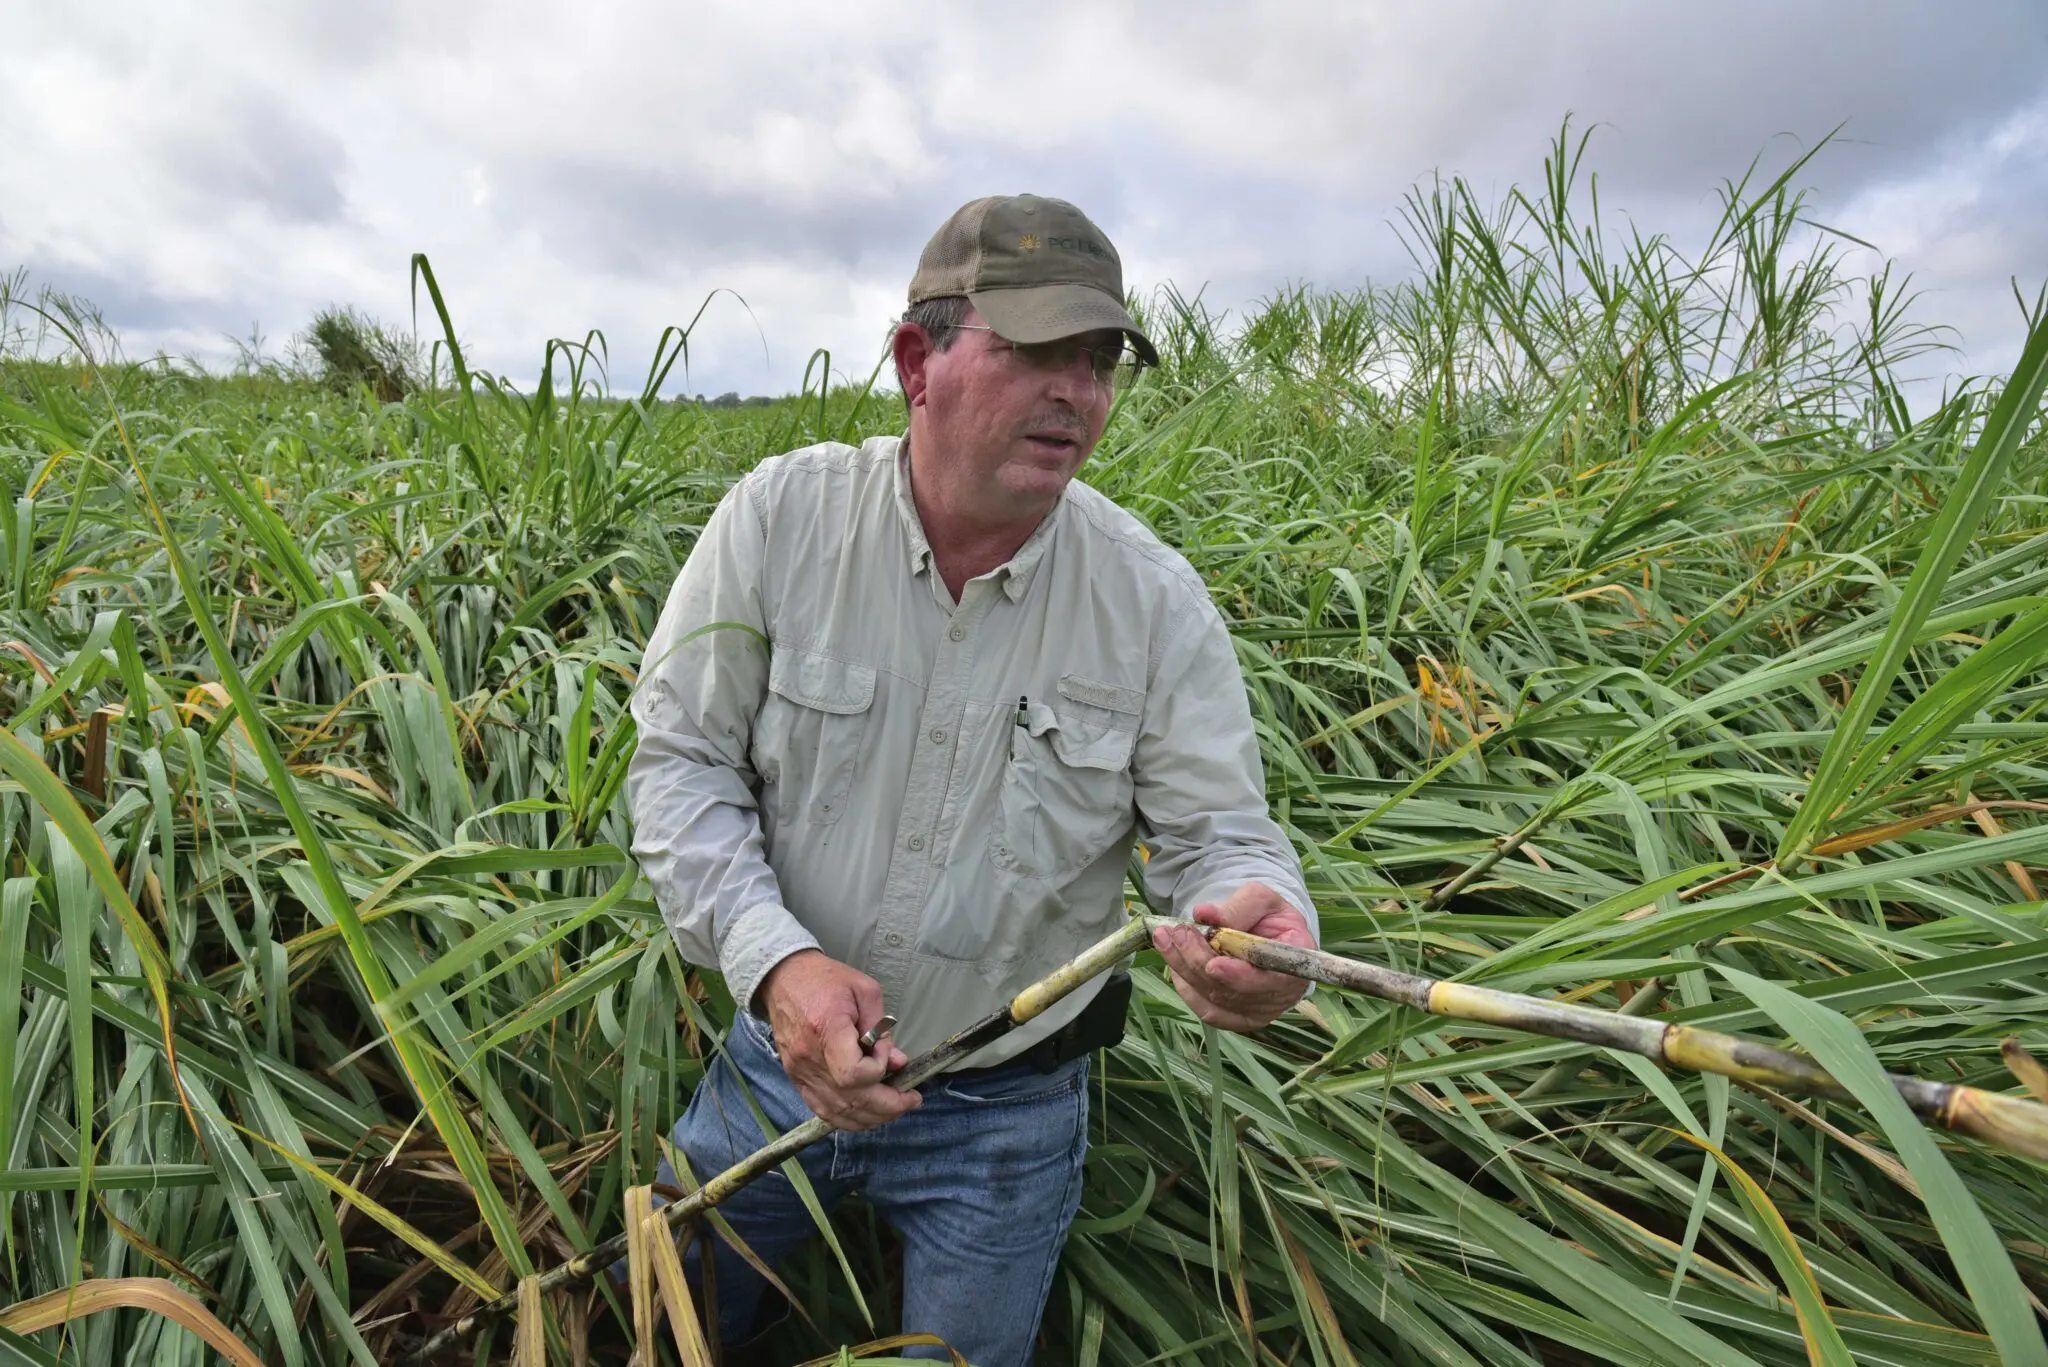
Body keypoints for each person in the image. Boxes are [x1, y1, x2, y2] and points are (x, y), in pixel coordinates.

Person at [627, 193, 1318, 1366]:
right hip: (772, 1061)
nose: (1076, 391)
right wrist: (777, 961)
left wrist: (1262, 916)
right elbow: (679, 762)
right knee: (664, 1322)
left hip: (1006, 1112)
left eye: (1097, 359)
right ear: (917, 360)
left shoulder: (1151, 602)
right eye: (1036, 350)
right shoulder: (780, 521)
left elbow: (1218, 838)